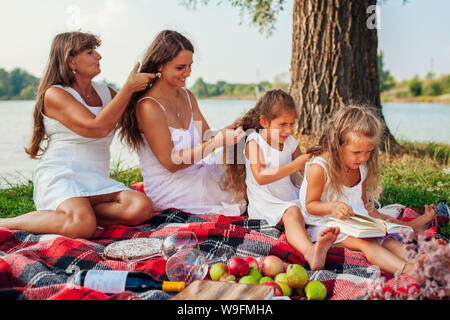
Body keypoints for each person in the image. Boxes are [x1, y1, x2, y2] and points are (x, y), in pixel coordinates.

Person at [0, 31, 156, 239]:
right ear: (71, 60)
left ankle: (80, 213)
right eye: (90, 52)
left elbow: (135, 118)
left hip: (96, 180)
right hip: (61, 176)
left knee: (141, 207)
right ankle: (7, 222)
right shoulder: (55, 94)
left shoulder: (105, 92)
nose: (98, 57)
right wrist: (128, 88)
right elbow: (95, 128)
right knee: (82, 226)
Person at [119, 30, 247, 216]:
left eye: (190, 65)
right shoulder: (149, 106)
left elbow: (206, 136)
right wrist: (217, 142)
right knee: (242, 187)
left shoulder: (187, 96)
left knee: (250, 160)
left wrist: (232, 130)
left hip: (198, 172)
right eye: (180, 67)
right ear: (160, 66)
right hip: (172, 188)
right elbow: (172, 162)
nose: (188, 72)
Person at [299, 105, 435, 279]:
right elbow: (310, 206)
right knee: (367, 243)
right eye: (356, 152)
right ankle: (408, 270)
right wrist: (333, 206)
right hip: (326, 224)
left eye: (368, 152)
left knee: (387, 239)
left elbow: (361, 202)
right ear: (336, 145)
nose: (363, 158)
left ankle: (425, 264)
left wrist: (378, 221)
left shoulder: (361, 168)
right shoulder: (320, 168)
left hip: (355, 223)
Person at [222, 89, 340, 270]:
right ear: (264, 122)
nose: (288, 130)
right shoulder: (255, 142)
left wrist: (316, 163)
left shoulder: (291, 142)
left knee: (317, 207)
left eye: (292, 124)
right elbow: (260, 177)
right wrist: (294, 165)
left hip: (288, 196)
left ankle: (336, 238)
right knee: (292, 213)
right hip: (265, 202)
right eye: (282, 124)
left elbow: (306, 172)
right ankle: (310, 253)